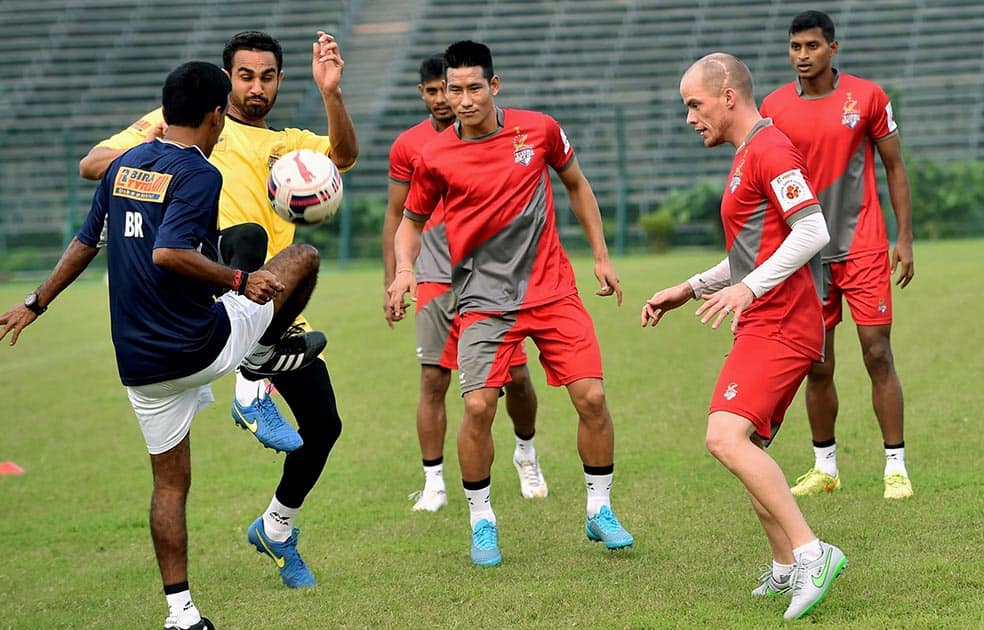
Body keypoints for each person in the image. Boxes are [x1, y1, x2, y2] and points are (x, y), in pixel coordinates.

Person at [0, 61, 327, 630]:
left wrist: (35, 302)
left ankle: (181, 614)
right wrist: (240, 281)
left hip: (141, 364)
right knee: (298, 259)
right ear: (218, 115)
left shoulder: (123, 165)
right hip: (203, 345)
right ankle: (256, 367)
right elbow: (169, 252)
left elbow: (85, 241)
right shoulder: (200, 172)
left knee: (169, 483)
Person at [79, 30, 357, 588]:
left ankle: (277, 528)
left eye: (269, 76)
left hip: (271, 303)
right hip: (206, 291)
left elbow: (343, 157)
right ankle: (253, 379)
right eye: (246, 76)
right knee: (248, 237)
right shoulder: (184, 125)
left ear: (280, 80)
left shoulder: (287, 143)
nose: (257, 87)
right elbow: (93, 163)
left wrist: (331, 92)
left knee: (324, 427)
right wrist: (154, 149)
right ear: (226, 80)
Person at [388, 40, 632, 567]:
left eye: (475, 88)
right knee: (477, 405)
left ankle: (600, 510)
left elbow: (577, 184)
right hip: (482, 296)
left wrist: (601, 256)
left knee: (591, 398)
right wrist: (405, 270)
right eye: (455, 90)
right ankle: (482, 520)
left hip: (553, 289)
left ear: (494, 86)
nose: (465, 99)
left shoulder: (540, 129)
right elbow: (410, 223)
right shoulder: (434, 156)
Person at [642, 53, 846, 621]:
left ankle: (812, 552)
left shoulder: (770, 147)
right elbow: (749, 253)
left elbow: (813, 230)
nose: (689, 118)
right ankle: (785, 566)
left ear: (728, 94)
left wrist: (751, 290)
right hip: (768, 319)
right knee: (744, 445)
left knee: (724, 438)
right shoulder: (746, 155)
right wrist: (690, 286)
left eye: (694, 104)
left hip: (781, 322)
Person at [760, 10, 914, 500]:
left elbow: (894, 165)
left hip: (864, 245)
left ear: (833, 48)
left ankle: (895, 466)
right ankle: (825, 465)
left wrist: (904, 237)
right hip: (806, 252)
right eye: (795, 47)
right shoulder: (774, 107)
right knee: (817, 363)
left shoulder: (867, 97)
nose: (802, 56)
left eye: (811, 46)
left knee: (876, 352)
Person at [383, 54, 546, 512]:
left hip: (491, 276)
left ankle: (526, 451)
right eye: (436, 91)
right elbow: (397, 216)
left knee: (515, 376)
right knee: (433, 378)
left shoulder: (501, 137)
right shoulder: (410, 146)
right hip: (434, 274)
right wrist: (396, 276)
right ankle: (434, 482)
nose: (445, 99)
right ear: (425, 94)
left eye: (451, 89)